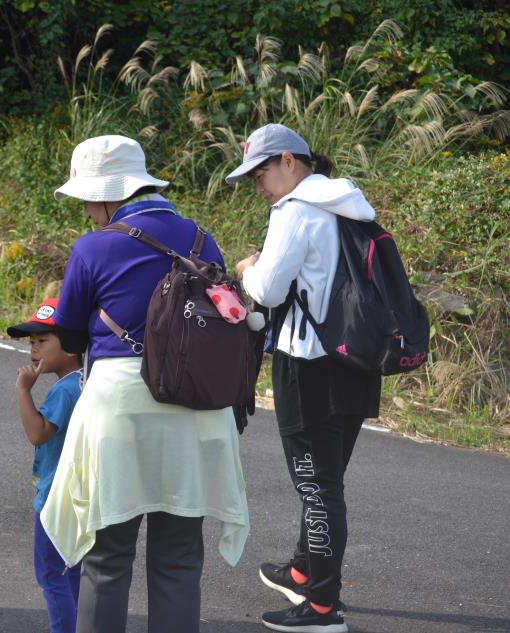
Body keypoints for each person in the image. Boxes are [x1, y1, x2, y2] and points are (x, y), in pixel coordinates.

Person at [39, 135, 250, 633]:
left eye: (90, 198)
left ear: (111, 195)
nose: (89, 210)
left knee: (107, 558)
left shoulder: (94, 247)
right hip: (196, 406)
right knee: (179, 558)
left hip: (121, 407)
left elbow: (68, 335)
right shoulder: (202, 239)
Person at [227, 123, 381, 633]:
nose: (259, 186)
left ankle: (320, 608)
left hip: (309, 363)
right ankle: (302, 568)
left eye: (262, 172)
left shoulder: (295, 210)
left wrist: (249, 266)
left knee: (317, 489)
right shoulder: (348, 203)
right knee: (327, 480)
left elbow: (268, 290)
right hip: (356, 360)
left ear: (290, 160)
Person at [8, 297, 84, 633]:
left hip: (55, 497)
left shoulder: (64, 391)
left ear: (70, 345)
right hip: (79, 494)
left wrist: (24, 391)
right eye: (31, 342)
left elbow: (38, 434)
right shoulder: (86, 383)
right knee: (75, 571)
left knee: (52, 574)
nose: (33, 350)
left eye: (42, 341)